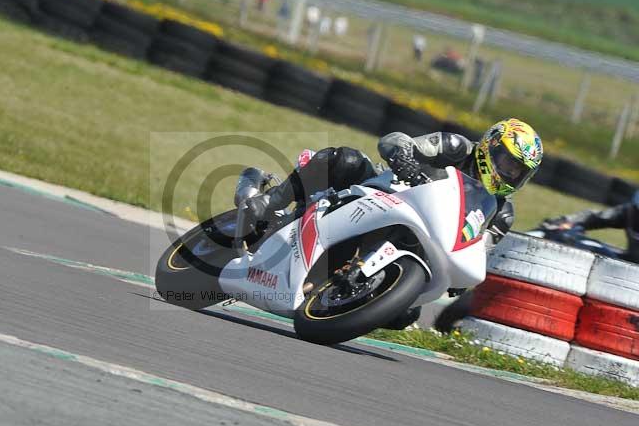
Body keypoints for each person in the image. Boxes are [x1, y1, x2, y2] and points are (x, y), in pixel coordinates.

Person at [243, 118, 544, 329]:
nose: (510, 174)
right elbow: (397, 141)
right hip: (383, 193)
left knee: (404, 316)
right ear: (491, 146)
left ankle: (341, 301)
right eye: (508, 163)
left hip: (425, 240)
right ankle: (270, 202)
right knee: (345, 159)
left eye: (519, 172)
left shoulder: (502, 212)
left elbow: (480, 247)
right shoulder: (456, 147)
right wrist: (405, 159)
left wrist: (461, 281)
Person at [540, 191, 639, 264]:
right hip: (629, 264)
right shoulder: (628, 213)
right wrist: (565, 221)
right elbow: (596, 217)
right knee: (591, 248)